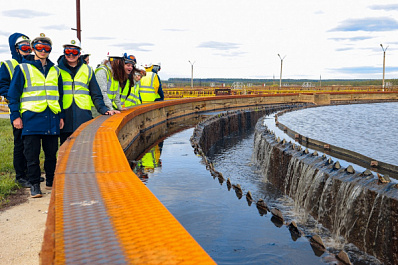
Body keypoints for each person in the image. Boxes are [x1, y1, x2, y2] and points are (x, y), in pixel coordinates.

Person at [7, 33, 64, 198]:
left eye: (46, 48)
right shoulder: (23, 68)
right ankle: (34, 185)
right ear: (33, 49)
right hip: (31, 117)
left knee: (51, 154)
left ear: (50, 50)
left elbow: (58, 94)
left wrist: (60, 116)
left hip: (51, 116)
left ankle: (51, 182)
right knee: (31, 154)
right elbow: (13, 95)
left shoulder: (56, 70)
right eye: (39, 47)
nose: (43, 50)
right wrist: (15, 116)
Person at [57, 38, 119, 145]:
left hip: (83, 116)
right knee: (65, 150)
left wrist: (104, 109)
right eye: (68, 51)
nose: (71, 54)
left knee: (83, 147)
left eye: (74, 51)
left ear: (79, 53)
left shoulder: (88, 70)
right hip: (64, 117)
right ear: (64, 52)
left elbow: (96, 94)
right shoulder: (56, 70)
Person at [0, 33, 33, 188]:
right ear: (16, 49)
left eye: (29, 47)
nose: (28, 50)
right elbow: (3, 86)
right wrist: (13, 98)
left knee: (31, 143)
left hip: (32, 110)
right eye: (24, 47)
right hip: (18, 111)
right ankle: (21, 176)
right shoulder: (8, 65)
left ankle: (31, 173)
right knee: (19, 143)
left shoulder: (33, 64)